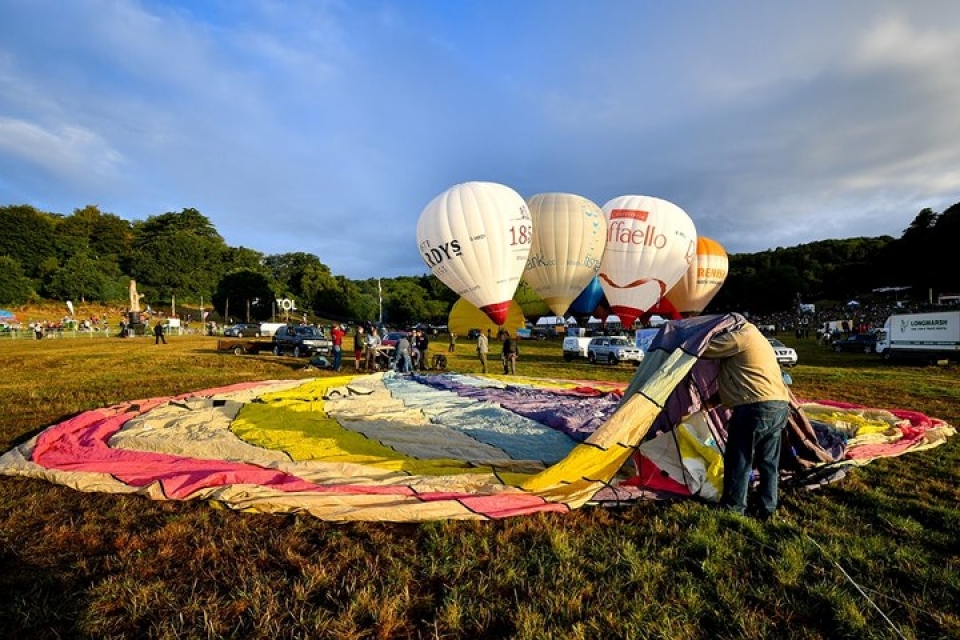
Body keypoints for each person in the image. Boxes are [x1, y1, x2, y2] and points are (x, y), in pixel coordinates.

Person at [702, 317, 791, 520]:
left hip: (755, 408)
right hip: (777, 405)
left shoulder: (744, 335)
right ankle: (767, 508)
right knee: (768, 462)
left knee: (739, 460)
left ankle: (733, 509)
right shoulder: (759, 339)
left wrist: (682, 343)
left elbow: (704, 349)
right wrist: (710, 403)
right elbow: (745, 379)